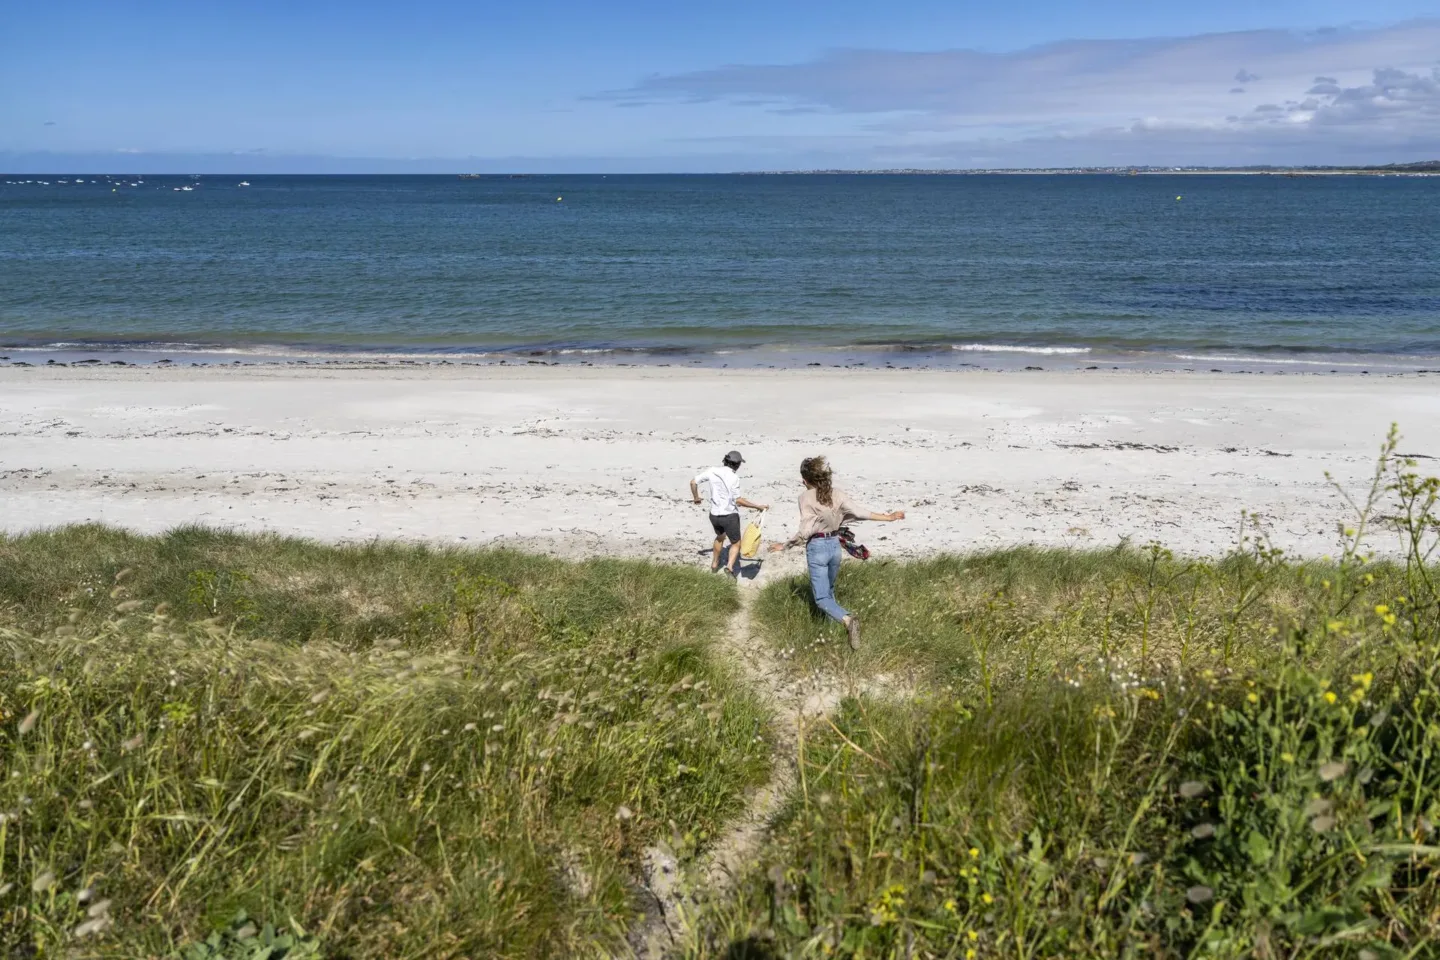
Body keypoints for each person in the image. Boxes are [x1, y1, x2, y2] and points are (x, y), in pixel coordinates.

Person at [769, 455, 905, 649]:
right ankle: (836, 632)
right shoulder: (837, 493)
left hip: (817, 548)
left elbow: (806, 529)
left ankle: (848, 621)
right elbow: (860, 513)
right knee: (830, 591)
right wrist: (888, 517)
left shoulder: (805, 497)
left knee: (821, 598)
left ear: (805, 480)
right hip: (834, 546)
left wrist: (786, 545)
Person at [690, 450, 768, 575]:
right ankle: (730, 567)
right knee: (736, 543)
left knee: (720, 537)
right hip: (729, 516)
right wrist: (757, 507)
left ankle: (715, 563)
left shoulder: (712, 471)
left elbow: (693, 482)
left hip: (714, 515)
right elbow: (738, 501)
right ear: (737, 465)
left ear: (725, 461)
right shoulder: (734, 477)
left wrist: (696, 498)